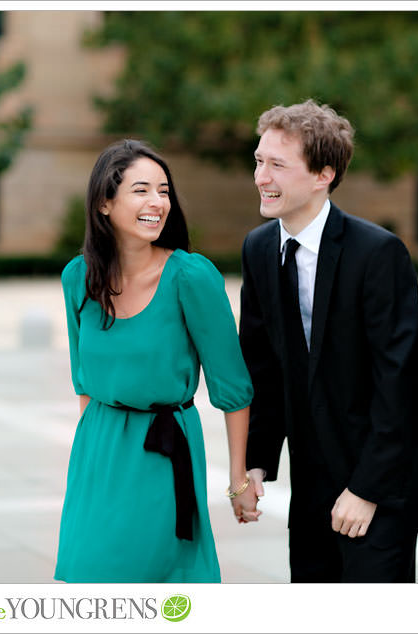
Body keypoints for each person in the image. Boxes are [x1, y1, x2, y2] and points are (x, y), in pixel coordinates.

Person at [239, 100, 418, 582]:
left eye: (277, 165)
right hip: (311, 481)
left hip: (384, 481)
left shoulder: (379, 253)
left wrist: (366, 490)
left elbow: (401, 385)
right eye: (258, 161)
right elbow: (263, 366)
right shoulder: (259, 248)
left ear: (322, 175)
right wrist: (253, 464)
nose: (261, 177)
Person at [54, 139, 258, 582]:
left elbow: (232, 388)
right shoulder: (78, 277)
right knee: (91, 580)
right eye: (141, 190)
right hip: (98, 451)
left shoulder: (191, 276)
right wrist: (90, 466)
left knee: (156, 581)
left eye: (164, 191)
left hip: (163, 454)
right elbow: (84, 383)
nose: (157, 202)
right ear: (105, 203)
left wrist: (239, 481)